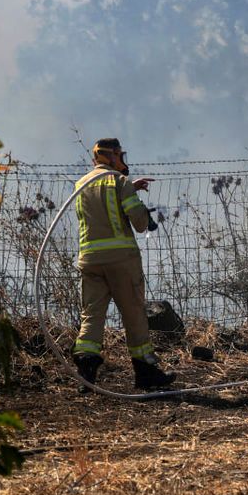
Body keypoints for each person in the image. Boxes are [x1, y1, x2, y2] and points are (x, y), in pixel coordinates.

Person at [71, 138, 176, 391]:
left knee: (92, 316)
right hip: (121, 261)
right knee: (134, 314)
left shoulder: (81, 184)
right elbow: (139, 224)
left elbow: (99, 212)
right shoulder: (120, 182)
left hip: (90, 260)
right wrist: (137, 204)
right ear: (112, 156)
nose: (123, 161)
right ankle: (146, 373)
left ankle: (86, 371)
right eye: (120, 156)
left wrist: (130, 189)